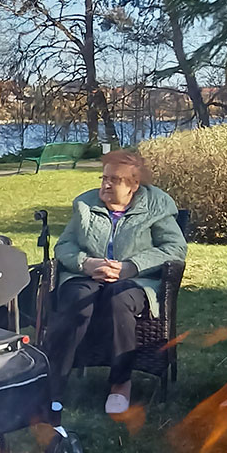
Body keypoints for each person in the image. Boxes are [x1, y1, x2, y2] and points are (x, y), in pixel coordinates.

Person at [47, 150, 187, 416]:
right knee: (75, 299)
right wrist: (84, 263)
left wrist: (131, 267)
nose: (106, 185)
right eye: (104, 178)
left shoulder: (156, 206)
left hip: (136, 279)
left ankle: (120, 384)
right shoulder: (85, 205)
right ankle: (55, 383)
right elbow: (64, 245)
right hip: (87, 275)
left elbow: (174, 248)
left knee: (118, 299)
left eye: (115, 180)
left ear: (134, 185)